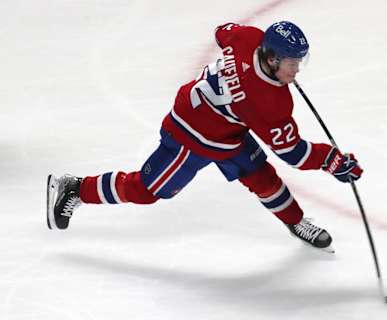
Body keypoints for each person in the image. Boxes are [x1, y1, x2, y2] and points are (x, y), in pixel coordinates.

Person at [46, 21, 363, 253]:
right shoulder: (270, 104)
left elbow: (222, 31)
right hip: (192, 136)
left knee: (262, 176)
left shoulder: (248, 37)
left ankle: (295, 222)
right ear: (271, 58)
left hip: (226, 130)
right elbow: (293, 152)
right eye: (293, 63)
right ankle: (74, 187)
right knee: (146, 190)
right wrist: (332, 161)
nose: (297, 70)